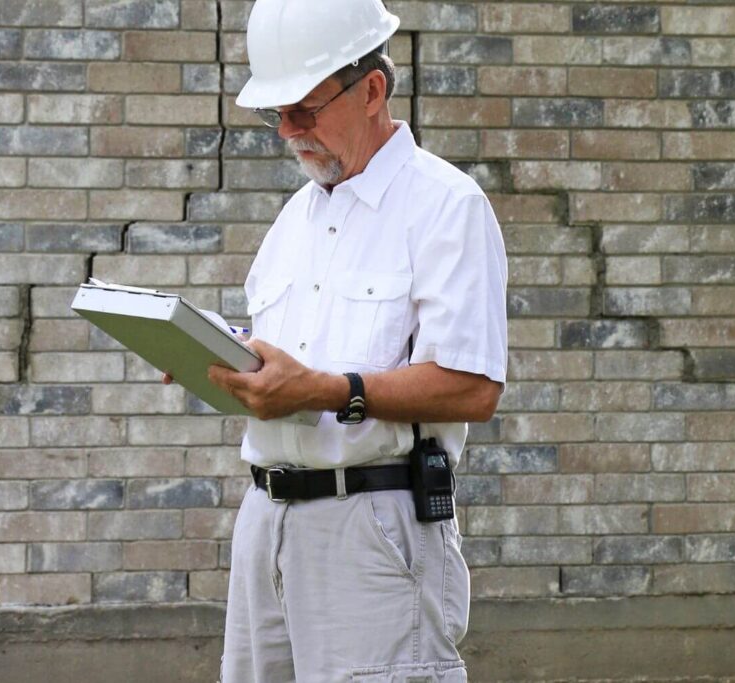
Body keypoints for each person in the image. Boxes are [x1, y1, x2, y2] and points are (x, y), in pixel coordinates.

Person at [166, 0, 508, 679]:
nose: (289, 132)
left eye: (305, 110)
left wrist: (329, 391)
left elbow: (472, 384)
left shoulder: (447, 207)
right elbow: (296, 360)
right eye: (276, 114)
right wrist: (224, 352)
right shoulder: (294, 220)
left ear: (373, 89)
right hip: (266, 522)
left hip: (373, 529)